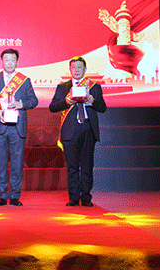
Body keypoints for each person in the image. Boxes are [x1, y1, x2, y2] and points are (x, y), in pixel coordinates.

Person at [49, 56, 107, 207]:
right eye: (74, 67)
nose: (76, 70)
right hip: (70, 130)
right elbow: (52, 107)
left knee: (87, 165)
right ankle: (74, 197)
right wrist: (66, 102)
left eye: (80, 67)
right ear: (70, 69)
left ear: (85, 69)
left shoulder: (94, 87)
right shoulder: (63, 87)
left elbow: (103, 108)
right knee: (72, 167)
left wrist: (93, 101)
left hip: (88, 128)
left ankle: (86, 196)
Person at [0, 49, 38, 206]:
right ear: (2, 61)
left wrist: (21, 104)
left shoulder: (24, 81)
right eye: (6, 60)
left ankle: (14, 195)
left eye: (12, 60)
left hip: (17, 127)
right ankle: (1, 195)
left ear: (17, 62)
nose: (9, 63)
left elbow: (33, 101)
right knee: (0, 163)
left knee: (17, 163)